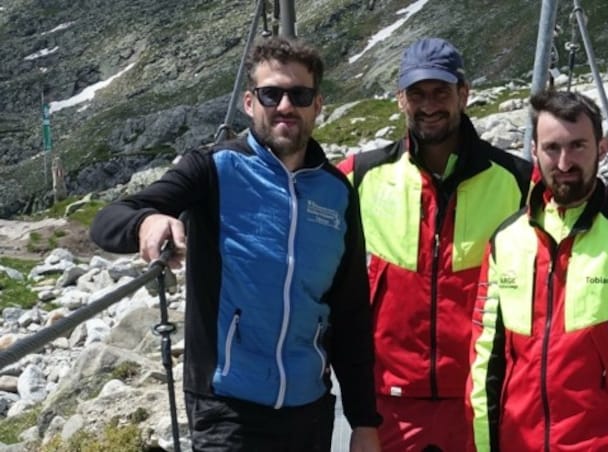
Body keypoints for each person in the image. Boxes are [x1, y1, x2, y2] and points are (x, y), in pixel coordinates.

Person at [89, 36, 381, 452]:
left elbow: (350, 312)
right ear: (249, 103)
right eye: (271, 94)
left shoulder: (337, 193)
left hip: (310, 409)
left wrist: (364, 423)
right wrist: (147, 221)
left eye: (299, 94)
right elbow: (106, 222)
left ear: (317, 104)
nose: (285, 106)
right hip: (228, 409)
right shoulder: (211, 169)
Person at [467, 90, 608, 451]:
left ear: (602, 148)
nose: (563, 162)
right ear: (533, 151)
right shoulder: (505, 240)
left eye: (578, 146)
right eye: (552, 148)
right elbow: (485, 362)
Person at [337, 38, 532, 451]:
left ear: (464, 94)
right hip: (387, 401)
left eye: (441, 92)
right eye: (417, 94)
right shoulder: (359, 176)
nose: (429, 105)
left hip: (480, 398)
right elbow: (289, 199)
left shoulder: (517, 181)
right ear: (399, 101)